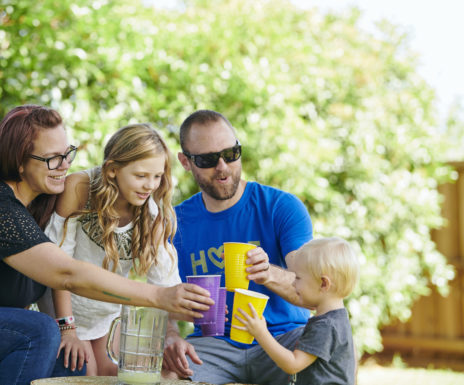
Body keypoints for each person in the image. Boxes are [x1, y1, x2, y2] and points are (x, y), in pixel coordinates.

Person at [0, 105, 214, 385]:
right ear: (18, 161)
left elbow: (102, 186)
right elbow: (65, 273)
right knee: (37, 331)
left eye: (67, 154)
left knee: (71, 367)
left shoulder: (43, 203)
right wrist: (156, 297)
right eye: (52, 159)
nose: (64, 167)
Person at [163, 109, 313, 385]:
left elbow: (312, 289)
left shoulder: (281, 207)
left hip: (284, 335)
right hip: (213, 341)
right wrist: (171, 335)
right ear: (185, 162)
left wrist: (268, 273)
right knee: (169, 372)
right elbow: (160, 297)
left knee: (331, 345)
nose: (222, 166)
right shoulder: (174, 223)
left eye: (230, 154)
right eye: (208, 159)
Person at [42, 123, 181, 375]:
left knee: (136, 374)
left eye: (157, 176)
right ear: (113, 169)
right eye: (141, 176)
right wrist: (67, 329)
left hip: (105, 315)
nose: (150, 185)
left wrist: (176, 332)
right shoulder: (80, 189)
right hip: (64, 308)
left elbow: (165, 286)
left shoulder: (151, 215)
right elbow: (57, 266)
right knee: (87, 374)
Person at [233, 237, 359, 385]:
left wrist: (261, 333)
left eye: (298, 278)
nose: (292, 283)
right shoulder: (336, 319)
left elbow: (292, 365)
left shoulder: (325, 326)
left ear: (323, 284)